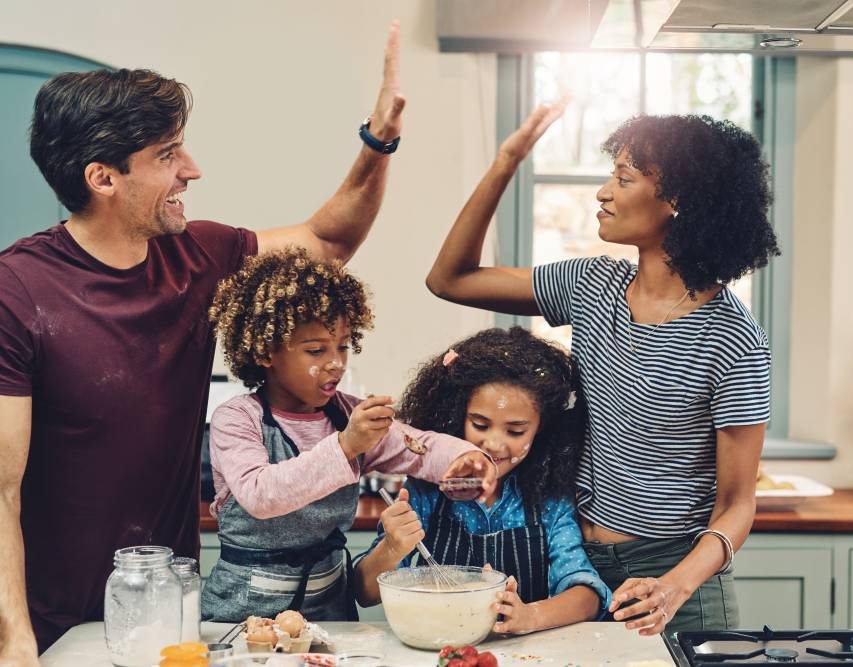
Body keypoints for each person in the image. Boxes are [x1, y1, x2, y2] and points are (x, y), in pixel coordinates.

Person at [0, 22, 406, 660]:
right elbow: (1, 488)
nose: (192, 170)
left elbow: (329, 242)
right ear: (103, 178)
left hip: (169, 606)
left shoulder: (199, 254)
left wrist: (379, 140)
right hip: (50, 619)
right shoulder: (16, 289)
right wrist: (14, 639)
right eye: (167, 156)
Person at [423, 106, 780, 635]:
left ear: (676, 200)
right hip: (572, 571)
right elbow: (450, 279)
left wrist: (675, 586)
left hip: (670, 581)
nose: (603, 193)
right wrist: (505, 163)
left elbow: (736, 506)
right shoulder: (592, 285)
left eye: (623, 178)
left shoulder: (732, 338)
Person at [199, 248, 495, 621]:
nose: (336, 362)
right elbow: (261, 495)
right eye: (315, 350)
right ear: (265, 351)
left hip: (330, 612)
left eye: (342, 346)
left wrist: (466, 459)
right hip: (242, 613)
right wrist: (346, 445)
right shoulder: (237, 419)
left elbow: (419, 446)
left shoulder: (347, 415)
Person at [353, 327, 612, 635]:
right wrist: (392, 548)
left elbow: (588, 596)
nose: (494, 444)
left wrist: (531, 616)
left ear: (542, 430)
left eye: (515, 431)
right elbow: (364, 592)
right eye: (480, 424)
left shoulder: (548, 500)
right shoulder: (425, 490)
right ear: (457, 415)